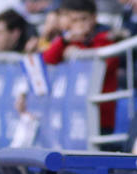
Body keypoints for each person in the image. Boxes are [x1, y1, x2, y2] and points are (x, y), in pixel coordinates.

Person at [41, 0, 119, 135]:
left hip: (99, 116)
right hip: (72, 115)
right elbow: (48, 58)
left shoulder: (105, 38)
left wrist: (78, 53)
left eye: (83, 19)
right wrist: (65, 41)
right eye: (74, 20)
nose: (79, 25)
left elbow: (103, 67)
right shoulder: (66, 40)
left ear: (94, 18)